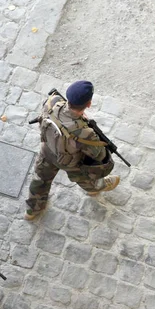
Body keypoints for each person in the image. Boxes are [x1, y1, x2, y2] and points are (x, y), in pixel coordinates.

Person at [25, 81, 120, 220]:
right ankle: (95, 188)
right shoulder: (85, 133)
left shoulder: (52, 101)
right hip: (69, 163)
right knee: (86, 177)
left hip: (47, 150)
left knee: (40, 180)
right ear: (88, 104)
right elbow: (99, 155)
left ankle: (32, 210)